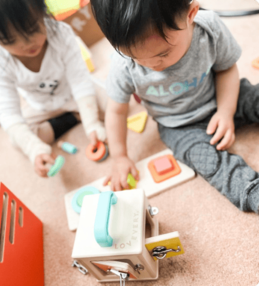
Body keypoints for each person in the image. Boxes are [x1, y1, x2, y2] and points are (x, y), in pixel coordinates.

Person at [90, 0, 259, 213]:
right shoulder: (122, 65)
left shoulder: (209, 28)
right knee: (208, 163)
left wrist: (226, 111)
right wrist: (120, 157)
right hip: (180, 127)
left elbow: (226, 70)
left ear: (191, 14)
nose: (151, 65)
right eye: (136, 57)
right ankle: (253, 191)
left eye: (162, 54)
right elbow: (116, 110)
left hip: (223, 95)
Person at [0, 0, 106, 177]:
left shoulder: (61, 33)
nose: (26, 43)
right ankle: (73, 118)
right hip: (40, 106)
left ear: (43, 12)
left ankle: (79, 115)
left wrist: (92, 123)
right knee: (17, 140)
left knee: (112, 103)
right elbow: (7, 112)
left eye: (31, 29)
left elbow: (80, 82)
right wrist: (35, 149)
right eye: (11, 40)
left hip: (73, 95)